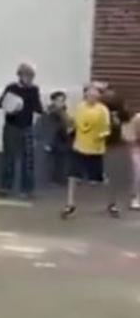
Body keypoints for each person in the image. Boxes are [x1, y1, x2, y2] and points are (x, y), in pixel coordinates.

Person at [61, 83, 116, 219]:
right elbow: (73, 123)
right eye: (90, 93)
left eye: (95, 93)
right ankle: (70, 204)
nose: (92, 96)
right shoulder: (79, 107)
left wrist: (100, 136)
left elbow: (107, 130)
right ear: (86, 94)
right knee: (72, 176)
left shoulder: (102, 110)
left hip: (95, 150)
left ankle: (111, 204)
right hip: (79, 148)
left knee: (101, 179)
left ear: (98, 96)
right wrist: (69, 126)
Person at [0, 63, 44, 198]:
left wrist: (32, 106)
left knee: (28, 160)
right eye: (27, 76)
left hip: (27, 126)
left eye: (31, 77)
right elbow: (0, 103)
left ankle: (27, 189)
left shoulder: (34, 90)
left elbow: (38, 108)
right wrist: (12, 105)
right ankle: (5, 187)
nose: (29, 79)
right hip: (11, 127)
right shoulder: (11, 88)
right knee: (9, 158)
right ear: (20, 76)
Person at [40, 91, 72, 186]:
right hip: (54, 138)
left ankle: (59, 178)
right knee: (54, 160)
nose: (61, 102)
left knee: (61, 160)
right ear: (53, 101)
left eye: (63, 100)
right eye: (59, 100)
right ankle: (53, 179)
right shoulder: (50, 112)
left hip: (62, 137)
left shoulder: (62, 111)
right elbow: (47, 126)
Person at [124, 112, 140, 210]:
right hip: (137, 150)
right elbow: (129, 136)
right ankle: (134, 198)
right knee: (137, 175)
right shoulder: (137, 118)